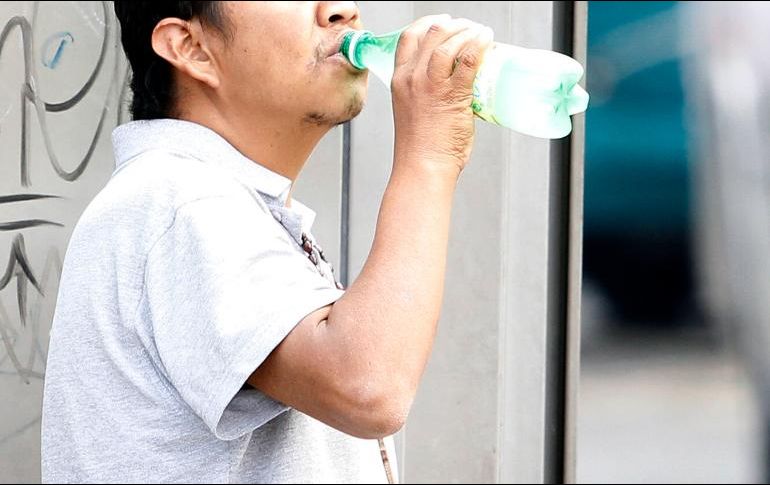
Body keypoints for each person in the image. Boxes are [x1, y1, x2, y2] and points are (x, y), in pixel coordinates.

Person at [41, 1, 493, 483]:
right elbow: (367, 385)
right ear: (190, 47)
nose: (343, 9)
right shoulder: (179, 203)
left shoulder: (203, 201)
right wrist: (428, 155)